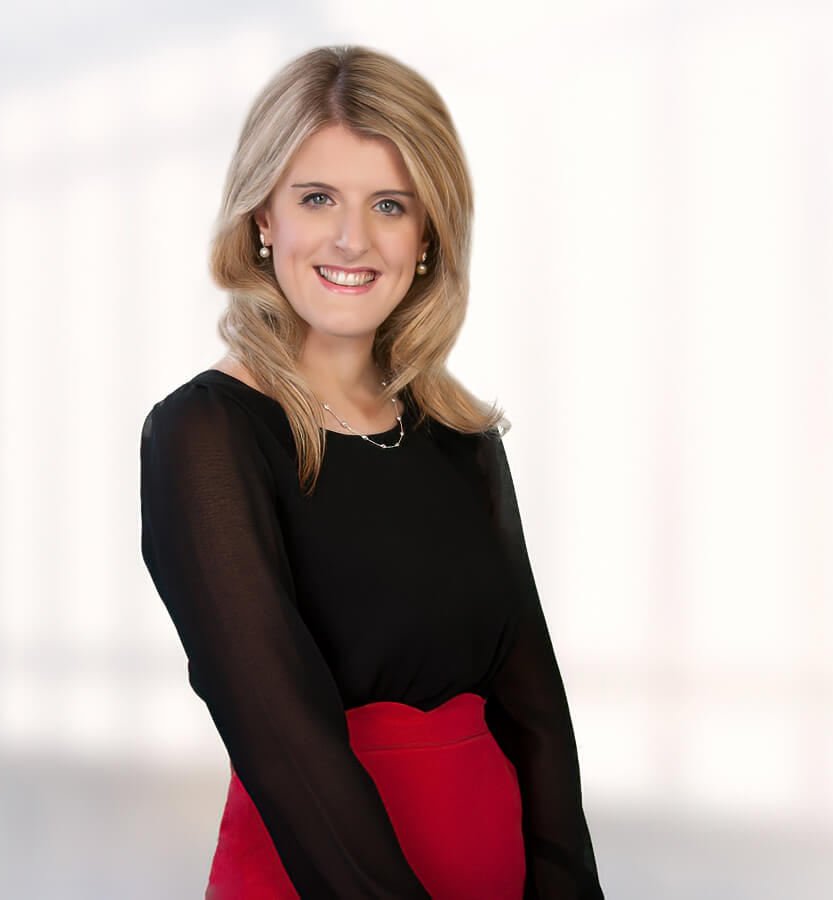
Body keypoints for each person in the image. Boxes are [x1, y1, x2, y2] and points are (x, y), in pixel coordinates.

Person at [139, 45, 603, 899]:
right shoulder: (205, 435)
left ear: (427, 235)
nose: (352, 238)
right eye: (317, 198)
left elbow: (537, 716)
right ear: (264, 217)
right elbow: (282, 741)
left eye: (389, 204)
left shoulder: (461, 437)